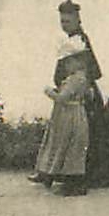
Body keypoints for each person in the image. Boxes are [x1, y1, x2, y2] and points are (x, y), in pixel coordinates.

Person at [53, 0, 109, 189]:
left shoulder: (80, 40)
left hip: (85, 93)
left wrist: (79, 83)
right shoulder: (69, 40)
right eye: (62, 22)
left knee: (87, 135)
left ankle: (88, 176)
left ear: (77, 19)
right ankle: (74, 174)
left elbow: (93, 69)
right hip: (73, 91)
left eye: (68, 21)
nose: (64, 25)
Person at [33, 37, 94, 195]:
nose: (66, 66)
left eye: (68, 62)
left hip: (69, 115)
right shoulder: (84, 78)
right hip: (78, 113)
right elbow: (90, 95)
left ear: (77, 61)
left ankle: (72, 184)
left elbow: (62, 98)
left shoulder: (74, 80)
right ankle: (70, 180)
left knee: (68, 144)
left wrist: (49, 92)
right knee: (74, 146)